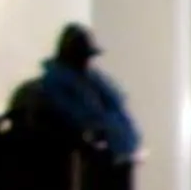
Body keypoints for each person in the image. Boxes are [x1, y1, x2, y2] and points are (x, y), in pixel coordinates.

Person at [9, 23, 142, 159]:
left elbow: (120, 121)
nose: (86, 63)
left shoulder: (95, 85)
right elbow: (80, 120)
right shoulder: (53, 89)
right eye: (82, 56)